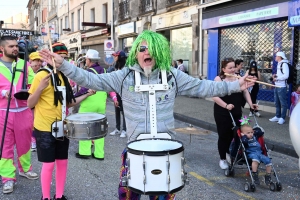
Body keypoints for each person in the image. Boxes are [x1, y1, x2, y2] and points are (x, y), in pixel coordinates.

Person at [39, 30, 255, 200]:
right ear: (136, 53)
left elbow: (204, 88)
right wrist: (64, 65)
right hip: (134, 149)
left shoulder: (173, 76)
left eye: (151, 49)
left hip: (165, 150)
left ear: (159, 51)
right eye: (141, 48)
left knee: (162, 196)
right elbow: (93, 81)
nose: (146, 52)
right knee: (127, 195)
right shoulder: (124, 77)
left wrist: (237, 85)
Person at [28, 42, 95, 200]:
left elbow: (68, 103)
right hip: (44, 128)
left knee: (63, 162)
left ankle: (59, 196)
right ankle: (45, 197)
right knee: (49, 164)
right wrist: (40, 88)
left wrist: (87, 95)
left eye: (64, 58)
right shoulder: (41, 75)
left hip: (61, 126)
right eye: (59, 57)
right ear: (51, 57)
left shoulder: (64, 76)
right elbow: (30, 103)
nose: (62, 61)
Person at [0, 35, 38, 194]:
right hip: (3, 112)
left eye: (16, 46)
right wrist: (2, 92)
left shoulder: (25, 64)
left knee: (24, 144)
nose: (15, 48)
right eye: (11, 46)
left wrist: (31, 90)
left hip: (23, 111)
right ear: (2, 49)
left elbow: (34, 83)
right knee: (5, 147)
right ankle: (7, 178)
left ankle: (25, 168)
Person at [213, 57, 257, 170]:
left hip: (237, 111)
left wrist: (251, 104)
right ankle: (222, 158)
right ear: (223, 69)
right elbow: (215, 96)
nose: (233, 69)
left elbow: (245, 92)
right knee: (224, 135)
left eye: (234, 67)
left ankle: (232, 152)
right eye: (230, 67)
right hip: (222, 112)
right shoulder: (219, 79)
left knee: (237, 133)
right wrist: (225, 105)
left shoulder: (238, 78)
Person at [74, 49, 107, 160]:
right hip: (101, 104)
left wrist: (75, 96)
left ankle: (84, 152)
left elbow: (84, 89)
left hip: (89, 103)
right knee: (99, 128)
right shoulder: (105, 71)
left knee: (84, 126)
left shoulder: (89, 72)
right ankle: (99, 154)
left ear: (88, 60)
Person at [109, 50, 127, 138]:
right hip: (117, 92)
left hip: (125, 93)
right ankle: (117, 128)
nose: (114, 57)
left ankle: (124, 130)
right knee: (117, 110)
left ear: (120, 57)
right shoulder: (115, 67)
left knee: (124, 112)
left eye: (116, 56)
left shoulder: (126, 68)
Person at [28, 51, 43, 152]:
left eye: (40, 61)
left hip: (41, 100)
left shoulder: (43, 71)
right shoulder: (27, 70)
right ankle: (33, 142)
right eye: (36, 60)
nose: (38, 63)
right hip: (30, 99)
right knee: (32, 122)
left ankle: (37, 141)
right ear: (30, 61)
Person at [269, 51, 289, 125]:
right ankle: (278, 116)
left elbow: (286, 75)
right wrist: (276, 75)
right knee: (277, 102)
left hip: (281, 86)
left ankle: (282, 118)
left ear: (280, 57)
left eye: (276, 56)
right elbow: (281, 74)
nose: (275, 57)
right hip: (277, 85)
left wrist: (277, 78)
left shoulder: (284, 64)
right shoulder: (279, 64)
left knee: (283, 103)